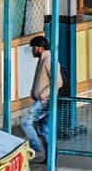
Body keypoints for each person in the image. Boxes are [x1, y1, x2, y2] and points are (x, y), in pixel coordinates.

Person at [21, 35, 63, 163]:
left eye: (33, 48)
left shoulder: (49, 60)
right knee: (44, 131)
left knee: (25, 121)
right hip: (44, 100)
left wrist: (43, 95)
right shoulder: (44, 59)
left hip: (45, 101)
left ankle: (36, 148)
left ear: (40, 48)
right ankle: (50, 158)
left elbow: (58, 82)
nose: (32, 51)